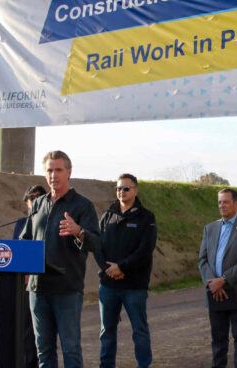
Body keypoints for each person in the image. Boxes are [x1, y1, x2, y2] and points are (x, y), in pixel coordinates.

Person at [20, 151, 99, 368]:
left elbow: (96, 242)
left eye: (58, 170)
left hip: (66, 289)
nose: (53, 175)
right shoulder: (38, 204)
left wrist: (79, 231)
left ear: (69, 172)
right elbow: (25, 239)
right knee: (44, 351)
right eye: (49, 170)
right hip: (38, 288)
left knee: (70, 349)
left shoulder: (82, 206)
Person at [94, 173, 157, 368]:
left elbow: (145, 250)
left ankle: (143, 365)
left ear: (135, 190)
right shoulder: (107, 215)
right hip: (108, 285)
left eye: (126, 188)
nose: (121, 192)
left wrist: (122, 267)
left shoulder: (146, 217)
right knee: (107, 331)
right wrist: (108, 269)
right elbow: (97, 247)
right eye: (118, 188)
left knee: (139, 329)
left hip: (134, 285)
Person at [198, 188, 237, 368]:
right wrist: (213, 284)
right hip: (215, 292)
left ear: (236, 204)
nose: (222, 206)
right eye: (219, 202)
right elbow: (202, 260)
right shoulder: (210, 228)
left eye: (226, 202)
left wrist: (222, 280)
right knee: (218, 340)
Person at [11, 185, 47, 368]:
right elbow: (15, 253)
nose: (34, 201)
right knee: (26, 330)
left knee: (43, 332)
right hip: (24, 286)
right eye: (30, 198)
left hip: (47, 285)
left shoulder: (51, 222)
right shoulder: (20, 224)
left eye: (38, 197)